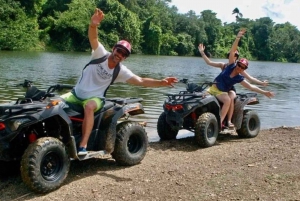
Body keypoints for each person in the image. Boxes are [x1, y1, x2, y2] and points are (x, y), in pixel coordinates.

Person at [61, 8, 178, 155]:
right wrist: (93, 25)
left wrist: (161, 82)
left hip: (95, 99)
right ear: (113, 49)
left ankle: (83, 146)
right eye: (119, 50)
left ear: (125, 58)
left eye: (124, 54)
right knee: (53, 105)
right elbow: (93, 39)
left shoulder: (120, 71)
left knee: (89, 107)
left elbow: (140, 80)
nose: (120, 55)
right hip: (75, 94)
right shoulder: (100, 55)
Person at [199, 29, 274, 128]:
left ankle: (219, 123)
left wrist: (264, 91)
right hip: (213, 88)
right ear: (237, 63)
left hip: (223, 91)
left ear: (244, 68)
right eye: (239, 65)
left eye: (243, 67)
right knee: (199, 98)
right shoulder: (230, 65)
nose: (240, 67)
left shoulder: (239, 77)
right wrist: (238, 37)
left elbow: (251, 85)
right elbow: (232, 50)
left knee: (228, 100)